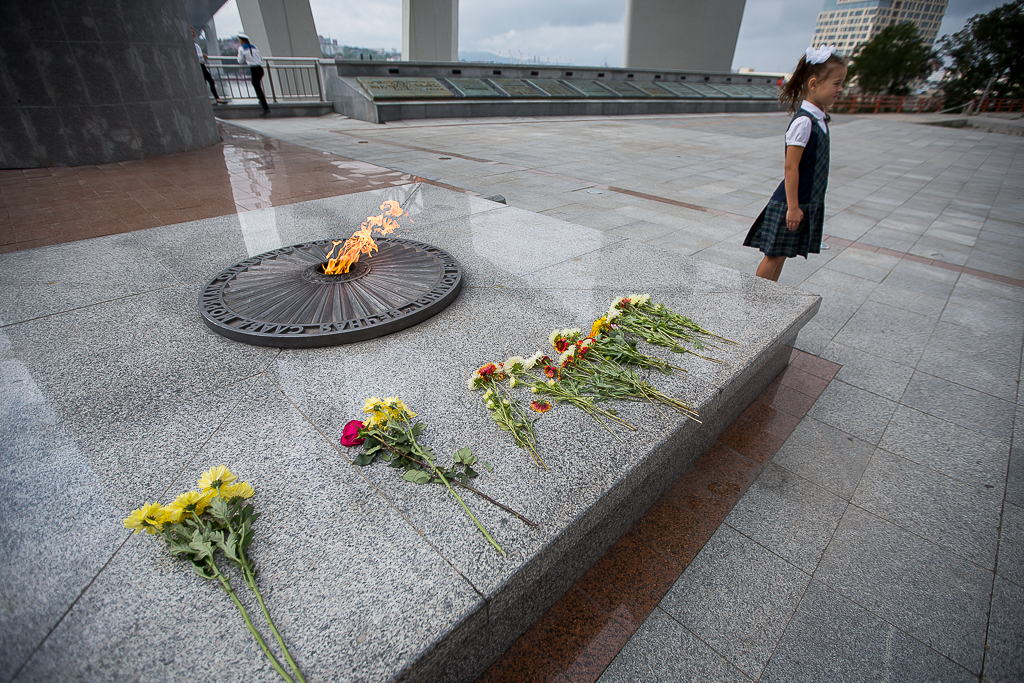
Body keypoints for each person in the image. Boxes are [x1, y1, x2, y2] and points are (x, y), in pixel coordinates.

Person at [744, 46, 847, 281]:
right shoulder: (804, 122)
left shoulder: (819, 118)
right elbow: (791, 168)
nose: (840, 89)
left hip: (804, 201)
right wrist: (793, 207)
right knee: (774, 255)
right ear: (813, 84)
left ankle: (767, 296)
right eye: (836, 83)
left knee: (781, 254)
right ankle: (755, 300)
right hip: (791, 202)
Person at [236, 33, 270, 116]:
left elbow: (240, 61)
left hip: (254, 69)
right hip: (260, 68)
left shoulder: (242, 49)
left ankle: (265, 108)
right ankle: (261, 100)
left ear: (241, 40)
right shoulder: (254, 47)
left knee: (257, 87)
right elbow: (260, 58)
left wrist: (239, 56)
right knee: (256, 85)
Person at [192, 27, 226, 104]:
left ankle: (216, 98)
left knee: (210, 81)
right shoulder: (190, 43)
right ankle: (210, 99)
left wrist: (202, 56)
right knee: (205, 82)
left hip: (201, 64)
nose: (193, 33)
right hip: (198, 64)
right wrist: (201, 56)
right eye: (191, 32)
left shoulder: (194, 43)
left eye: (193, 32)